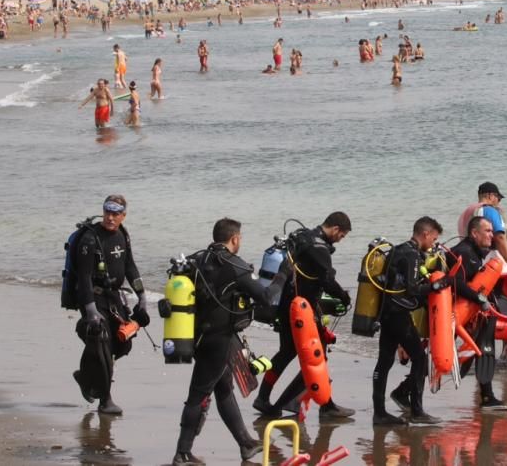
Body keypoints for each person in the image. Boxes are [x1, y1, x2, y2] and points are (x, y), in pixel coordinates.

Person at [171, 218, 273, 465]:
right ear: (234, 239)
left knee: (224, 388)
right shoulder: (233, 265)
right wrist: (282, 276)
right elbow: (266, 296)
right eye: (240, 238)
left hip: (196, 335)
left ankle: (246, 443)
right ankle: (182, 454)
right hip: (218, 340)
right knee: (198, 395)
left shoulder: (198, 259)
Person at [254, 212, 355, 421]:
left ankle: (264, 398)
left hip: (286, 306)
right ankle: (301, 405)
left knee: (286, 353)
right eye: (342, 236)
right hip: (301, 312)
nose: (340, 240)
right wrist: (344, 297)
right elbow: (327, 281)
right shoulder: (320, 249)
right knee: (317, 357)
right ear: (336, 229)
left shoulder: (304, 236)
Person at [71, 195, 148, 416]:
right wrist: (91, 311)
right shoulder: (89, 239)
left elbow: (130, 266)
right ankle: (105, 400)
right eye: (107, 212)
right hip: (93, 298)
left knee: (122, 345)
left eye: (116, 214)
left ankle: (85, 377)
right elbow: (84, 278)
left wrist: (141, 294)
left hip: (114, 298)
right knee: (102, 344)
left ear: (123, 216)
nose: (110, 217)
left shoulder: (123, 234)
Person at [372, 217, 445, 426]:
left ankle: (379, 413)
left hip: (386, 312)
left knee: (384, 362)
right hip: (398, 316)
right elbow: (413, 289)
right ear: (425, 234)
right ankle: (417, 411)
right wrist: (436, 287)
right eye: (434, 238)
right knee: (420, 359)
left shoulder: (396, 250)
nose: (433, 243)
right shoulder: (412, 254)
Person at [447, 217, 507, 412]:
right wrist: (480, 299)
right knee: (435, 356)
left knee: (484, 349)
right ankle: (405, 391)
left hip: (469, 313)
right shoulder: (465, 253)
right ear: (474, 233)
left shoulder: (474, 251)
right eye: (487, 231)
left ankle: (488, 397)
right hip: (456, 314)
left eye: (492, 231)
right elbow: (455, 282)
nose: (491, 235)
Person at [457, 182, 507, 363]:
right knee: (506, 305)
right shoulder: (490, 211)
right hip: (490, 266)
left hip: (471, 264)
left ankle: (474, 350)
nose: (499, 201)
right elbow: (500, 238)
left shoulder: (468, 212)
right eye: (498, 197)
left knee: (479, 309)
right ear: (490, 195)